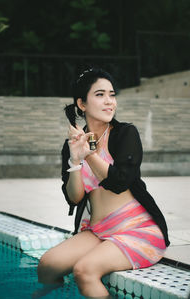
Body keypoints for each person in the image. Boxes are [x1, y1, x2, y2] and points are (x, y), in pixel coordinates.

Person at [37, 67, 170, 299]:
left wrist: (89, 154)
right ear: (82, 103)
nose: (109, 102)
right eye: (100, 95)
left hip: (137, 229)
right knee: (47, 266)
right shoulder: (72, 144)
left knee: (84, 271)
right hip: (98, 230)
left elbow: (119, 182)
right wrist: (75, 160)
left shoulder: (125, 134)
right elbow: (74, 198)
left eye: (112, 94)